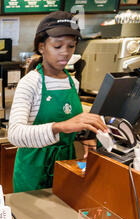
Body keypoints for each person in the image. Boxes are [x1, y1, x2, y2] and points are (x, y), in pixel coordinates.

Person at [8, 11, 108, 193]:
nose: (65, 53)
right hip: (34, 168)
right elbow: (15, 134)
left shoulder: (73, 82)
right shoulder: (30, 82)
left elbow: (72, 122)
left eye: (71, 46)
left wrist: (86, 136)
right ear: (41, 47)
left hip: (66, 162)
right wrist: (60, 127)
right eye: (57, 46)